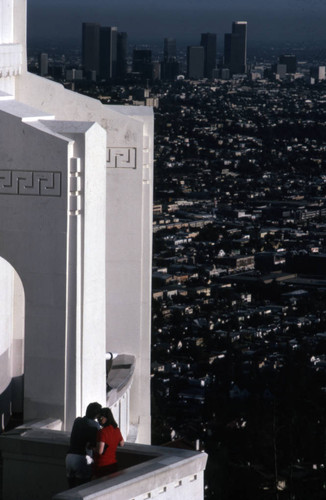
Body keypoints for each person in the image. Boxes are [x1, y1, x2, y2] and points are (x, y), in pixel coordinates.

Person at [66, 402, 102, 488]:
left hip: (69, 457)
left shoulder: (77, 421)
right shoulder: (95, 425)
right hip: (82, 458)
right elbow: (95, 445)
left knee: (70, 490)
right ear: (96, 415)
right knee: (82, 488)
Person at [93, 407, 124, 478]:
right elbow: (122, 444)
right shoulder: (117, 430)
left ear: (107, 418)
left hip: (101, 466)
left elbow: (100, 451)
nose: (99, 421)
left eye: (100, 418)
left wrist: (92, 448)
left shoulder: (102, 432)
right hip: (113, 465)